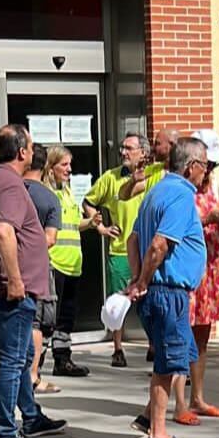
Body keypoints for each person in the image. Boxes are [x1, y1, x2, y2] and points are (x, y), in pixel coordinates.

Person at [0, 125, 66, 438]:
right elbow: (2, 232)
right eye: (31, 145)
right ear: (23, 152)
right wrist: (13, 279)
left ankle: (31, 415)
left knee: (24, 354)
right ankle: (6, 432)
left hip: (10, 286)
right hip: (16, 290)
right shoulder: (10, 185)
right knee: (13, 360)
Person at [125, 137, 208, 438]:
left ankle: (148, 418)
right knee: (166, 363)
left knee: (183, 354)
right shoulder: (179, 196)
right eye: (205, 166)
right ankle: (158, 435)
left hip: (163, 291)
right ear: (192, 167)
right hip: (166, 292)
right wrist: (143, 279)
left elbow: (134, 240)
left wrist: (138, 277)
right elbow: (159, 244)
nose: (206, 173)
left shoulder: (157, 190)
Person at [83, 133, 159, 367]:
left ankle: (153, 346)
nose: (124, 152)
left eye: (129, 148)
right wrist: (101, 227)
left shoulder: (156, 175)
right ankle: (117, 348)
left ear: (143, 153)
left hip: (149, 251)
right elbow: (88, 201)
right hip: (120, 251)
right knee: (119, 302)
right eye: (122, 148)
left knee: (152, 301)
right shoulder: (110, 177)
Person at [174, 135, 219, 424]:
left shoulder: (211, 188)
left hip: (210, 265)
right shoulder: (179, 189)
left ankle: (197, 397)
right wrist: (207, 219)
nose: (209, 170)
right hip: (188, 269)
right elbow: (176, 225)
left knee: (202, 338)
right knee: (180, 337)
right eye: (207, 164)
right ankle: (179, 403)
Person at [43, 145, 109, 377]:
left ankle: (62, 360)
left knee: (66, 316)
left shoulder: (68, 192)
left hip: (72, 264)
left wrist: (90, 224)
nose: (69, 169)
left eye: (70, 165)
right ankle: (36, 364)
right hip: (54, 262)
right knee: (48, 317)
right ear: (51, 168)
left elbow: (72, 224)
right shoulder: (46, 194)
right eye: (64, 165)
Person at [22, 144, 62, 393]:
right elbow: (50, 238)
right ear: (45, 166)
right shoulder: (48, 198)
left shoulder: (8, 191)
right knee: (37, 324)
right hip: (37, 267)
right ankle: (32, 376)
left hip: (6, 266)